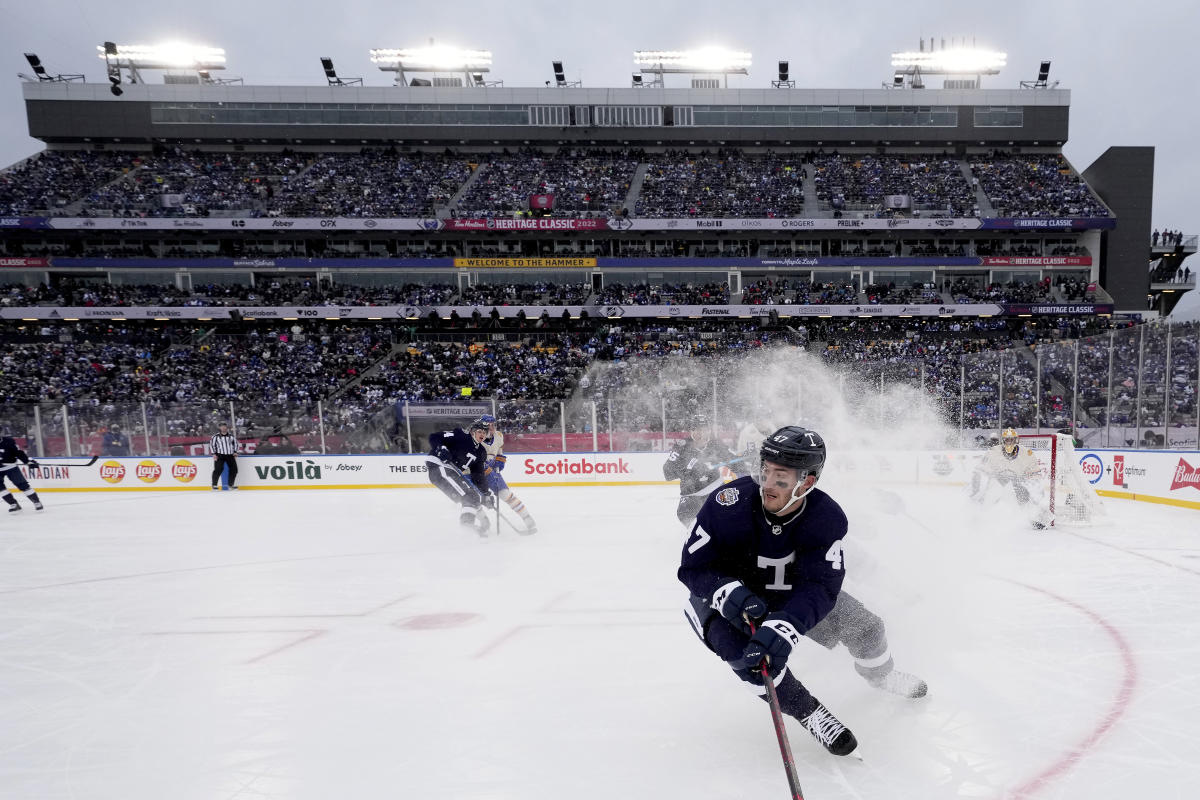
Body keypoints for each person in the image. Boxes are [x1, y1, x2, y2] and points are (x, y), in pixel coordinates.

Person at [678, 426, 926, 759]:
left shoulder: (825, 517)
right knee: (753, 661)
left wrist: (788, 624)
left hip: (788, 592)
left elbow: (820, 586)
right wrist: (725, 591)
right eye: (764, 472)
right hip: (718, 598)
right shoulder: (728, 503)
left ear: (806, 483)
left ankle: (880, 676)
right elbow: (694, 567)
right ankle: (810, 712)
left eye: (780, 479)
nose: (766, 486)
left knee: (868, 629)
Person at [663, 412, 749, 526]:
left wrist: (748, 462)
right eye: (698, 430)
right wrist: (688, 467)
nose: (703, 434)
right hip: (692, 494)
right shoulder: (681, 447)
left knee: (734, 513)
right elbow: (667, 473)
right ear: (691, 431)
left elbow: (734, 463)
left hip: (716, 489)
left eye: (706, 430)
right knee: (684, 514)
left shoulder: (715, 444)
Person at [968, 427, 1049, 529]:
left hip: (1019, 481)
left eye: (1012, 440)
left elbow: (1035, 474)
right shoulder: (993, 451)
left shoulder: (1027, 453)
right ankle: (979, 515)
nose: (1009, 442)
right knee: (989, 494)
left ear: (1016, 440)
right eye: (1007, 439)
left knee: (1026, 497)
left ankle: (1035, 517)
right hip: (998, 479)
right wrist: (978, 485)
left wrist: (1032, 489)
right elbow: (981, 469)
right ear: (1002, 440)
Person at [425, 418, 495, 536]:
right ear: (473, 432)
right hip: (439, 466)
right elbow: (434, 436)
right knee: (470, 495)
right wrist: (441, 448)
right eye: (479, 431)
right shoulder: (461, 436)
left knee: (472, 495)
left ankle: (483, 522)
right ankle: (467, 527)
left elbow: (478, 474)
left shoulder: (481, 452)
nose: (482, 434)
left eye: (484, 432)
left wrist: (486, 494)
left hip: (452, 471)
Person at [478, 414, 537, 534]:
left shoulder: (499, 436)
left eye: (493, 425)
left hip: (491, 472)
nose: (492, 427)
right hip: (475, 473)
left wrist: (499, 463)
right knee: (473, 499)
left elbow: (499, 452)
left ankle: (527, 517)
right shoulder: (475, 437)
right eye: (488, 425)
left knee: (506, 494)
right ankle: (483, 522)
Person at [0, 434, 44, 513]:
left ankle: (36, 502)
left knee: (23, 485)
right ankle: (14, 504)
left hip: (11, 467)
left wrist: (27, 461)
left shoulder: (9, 441)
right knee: (0, 488)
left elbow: (18, 453)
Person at [210, 421, 240, 491]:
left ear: (226, 427)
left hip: (230, 455)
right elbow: (212, 445)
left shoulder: (231, 436)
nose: (223, 427)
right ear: (219, 427)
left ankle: (230, 485)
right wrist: (213, 454)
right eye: (221, 426)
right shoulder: (215, 436)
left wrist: (235, 452)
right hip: (219, 455)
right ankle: (214, 485)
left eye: (224, 426)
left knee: (234, 470)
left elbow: (236, 444)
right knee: (218, 469)